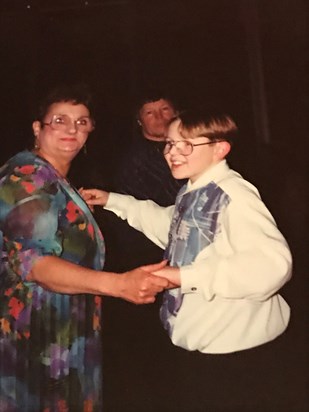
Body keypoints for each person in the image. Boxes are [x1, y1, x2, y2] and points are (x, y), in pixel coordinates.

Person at [82, 109, 293, 410]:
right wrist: (113, 201)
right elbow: (171, 226)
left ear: (220, 148)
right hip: (204, 350)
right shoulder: (193, 190)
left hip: (235, 355)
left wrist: (183, 276)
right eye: (169, 144)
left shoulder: (233, 195)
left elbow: (272, 265)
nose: (173, 153)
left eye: (187, 145)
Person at [0, 84, 168, 412]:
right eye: (59, 120)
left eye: (82, 122)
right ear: (38, 128)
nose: (71, 129)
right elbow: (35, 265)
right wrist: (119, 284)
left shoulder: (53, 178)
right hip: (36, 337)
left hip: (63, 333)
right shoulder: (27, 177)